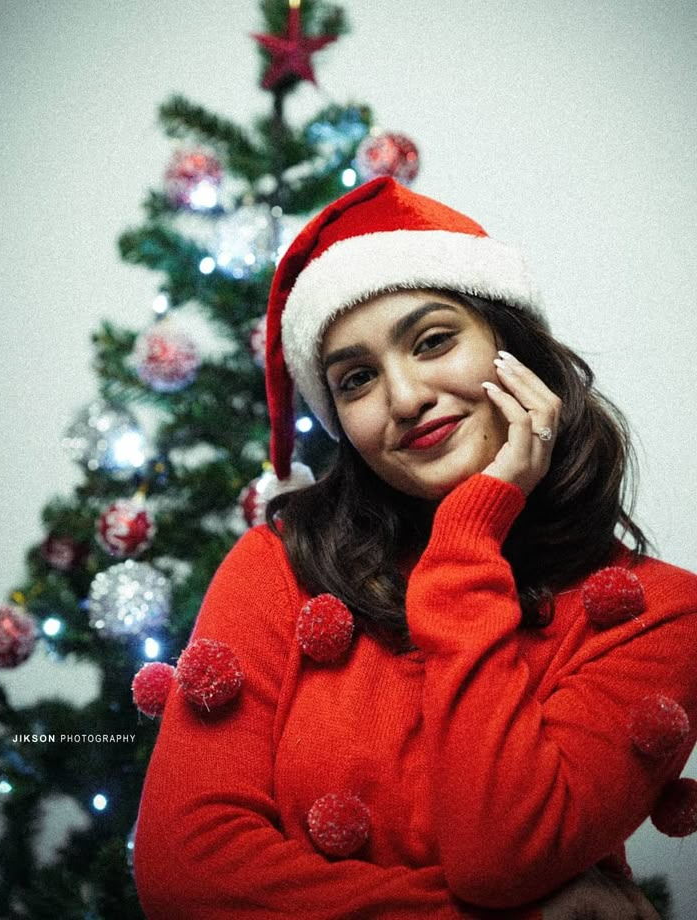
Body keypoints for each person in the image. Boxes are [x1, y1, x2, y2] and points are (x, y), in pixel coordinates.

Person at [133, 177, 697, 919]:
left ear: (514, 347)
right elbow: (184, 873)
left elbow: (502, 854)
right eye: (357, 379)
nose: (404, 398)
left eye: (433, 341)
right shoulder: (278, 568)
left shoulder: (658, 613)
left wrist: (470, 531)